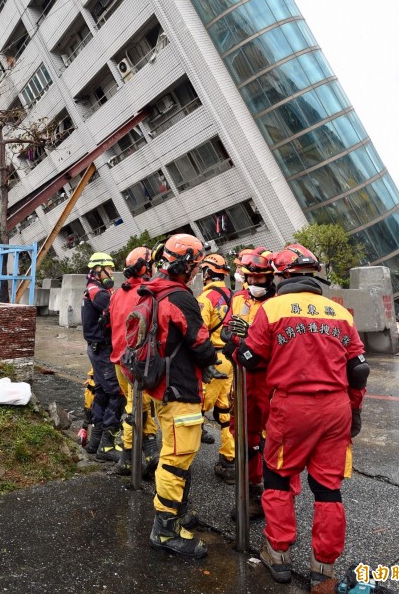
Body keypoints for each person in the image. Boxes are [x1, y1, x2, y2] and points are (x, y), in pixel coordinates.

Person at [231, 243, 370, 586]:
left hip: (293, 407)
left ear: (282, 276)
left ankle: (277, 555)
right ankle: (323, 566)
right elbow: (358, 370)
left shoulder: (273, 309)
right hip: (336, 407)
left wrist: (234, 347)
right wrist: (354, 409)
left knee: (278, 477)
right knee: (328, 489)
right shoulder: (339, 312)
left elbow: (250, 358)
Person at [142, 233, 218, 558]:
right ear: (186, 264)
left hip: (163, 386)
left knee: (178, 454)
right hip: (180, 390)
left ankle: (178, 513)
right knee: (175, 459)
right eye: (196, 264)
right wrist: (215, 357)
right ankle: (165, 530)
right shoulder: (181, 298)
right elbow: (200, 343)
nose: (197, 270)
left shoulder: (155, 291)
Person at [223, 247, 276, 516]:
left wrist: (247, 342)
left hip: (269, 378)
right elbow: (225, 331)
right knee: (244, 434)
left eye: (260, 280)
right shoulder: (238, 299)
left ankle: (277, 497)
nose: (255, 284)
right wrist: (237, 341)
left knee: (275, 437)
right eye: (251, 279)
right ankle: (252, 492)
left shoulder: (277, 304)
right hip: (243, 377)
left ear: (271, 279)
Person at [109, 246, 160, 476]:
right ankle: (128, 457)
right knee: (136, 408)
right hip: (137, 361)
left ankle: (148, 453)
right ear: (145, 267)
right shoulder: (146, 292)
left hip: (119, 359)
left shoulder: (118, 292)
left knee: (141, 407)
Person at [81, 251, 125, 461]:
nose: (111, 273)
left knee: (102, 392)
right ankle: (106, 447)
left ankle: (94, 443)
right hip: (102, 349)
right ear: (99, 270)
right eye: (108, 270)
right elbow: (114, 307)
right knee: (117, 393)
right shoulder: (95, 291)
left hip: (99, 348)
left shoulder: (95, 288)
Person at [196, 253, 235, 483]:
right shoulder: (235, 297)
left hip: (211, 360)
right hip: (231, 360)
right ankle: (229, 462)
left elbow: (198, 333)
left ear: (207, 273)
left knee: (195, 408)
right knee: (226, 412)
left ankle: (182, 463)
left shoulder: (206, 299)